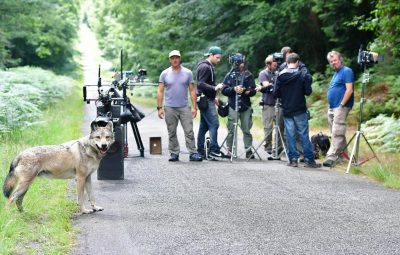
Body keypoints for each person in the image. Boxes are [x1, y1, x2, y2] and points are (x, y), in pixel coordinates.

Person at [273, 53, 320, 168]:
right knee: (303, 134)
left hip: (287, 109)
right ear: (298, 62)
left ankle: (293, 160)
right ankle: (309, 160)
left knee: (290, 134)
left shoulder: (280, 75)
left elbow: (276, 93)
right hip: (300, 109)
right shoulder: (303, 75)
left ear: (287, 62)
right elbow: (308, 92)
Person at [157, 50, 202, 162]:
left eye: (177, 57)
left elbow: (192, 91)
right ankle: (174, 153)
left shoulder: (187, 73)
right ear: (170, 60)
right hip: (170, 107)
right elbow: (160, 91)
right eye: (172, 58)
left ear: (180, 58)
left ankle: (193, 153)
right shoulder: (165, 73)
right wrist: (159, 108)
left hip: (184, 107)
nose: (175, 60)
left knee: (189, 131)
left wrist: (194, 107)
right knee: (171, 131)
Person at [221, 53, 256, 159]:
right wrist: (234, 89)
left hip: (245, 105)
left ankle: (248, 150)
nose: (242, 64)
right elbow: (224, 90)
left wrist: (247, 91)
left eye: (242, 62)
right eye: (240, 62)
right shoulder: (229, 75)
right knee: (231, 129)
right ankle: (229, 150)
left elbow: (253, 90)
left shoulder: (248, 75)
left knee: (246, 129)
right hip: (233, 105)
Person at [323, 51, 354, 167]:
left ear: (340, 59)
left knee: (337, 131)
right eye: (331, 62)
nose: (333, 63)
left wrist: (341, 104)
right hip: (332, 106)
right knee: (336, 132)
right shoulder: (336, 73)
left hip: (341, 106)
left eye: (335, 60)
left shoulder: (346, 71)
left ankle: (331, 157)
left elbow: (349, 90)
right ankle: (344, 157)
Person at [196, 46, 227, 159]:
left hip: (207, 99)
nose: (218, 60)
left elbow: (204, 85)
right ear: (211, 55)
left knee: (203, 127)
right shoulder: (205, 67)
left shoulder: (208, 66)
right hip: (205, 100)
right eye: (217, 58)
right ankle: (214, 150)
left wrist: (214, 97)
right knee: (214, 124)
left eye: (220, 58)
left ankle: (200, 151)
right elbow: (201, 84)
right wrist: (215, 88)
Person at [256, 55, 284, 154]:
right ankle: (268, 146)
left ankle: (278, 149)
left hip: (279, 103)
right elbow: (266, 86)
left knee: (280, 127)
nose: (276, 66)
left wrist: (271, 85)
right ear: (268, 64)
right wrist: (272, 85)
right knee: (268, 127)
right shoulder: (263, 73)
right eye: (274, 64)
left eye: (277, 64)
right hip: (268, 104)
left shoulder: (279, 72)